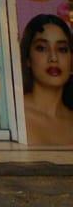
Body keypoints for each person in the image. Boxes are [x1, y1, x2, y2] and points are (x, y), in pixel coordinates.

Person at [20, 14, 73, 147]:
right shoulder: (14, 116)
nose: (53, 58)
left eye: (62, 49)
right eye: (42, 48)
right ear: (27, 59)